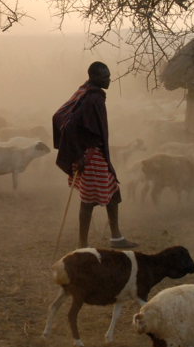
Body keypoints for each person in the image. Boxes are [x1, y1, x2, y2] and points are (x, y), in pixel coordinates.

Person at [53, 61, 138, 249]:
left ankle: (116, 237)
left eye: (109, 76)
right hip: (90, 157)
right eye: (105, 77)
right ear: (94, 77)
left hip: (93, 153)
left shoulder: (85, 92)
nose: (109, 80)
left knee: (113, 191)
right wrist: (79, 155)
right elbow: (68, 125)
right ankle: (83, 245)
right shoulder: (93, 98)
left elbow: (62, 118)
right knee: (89, 200)